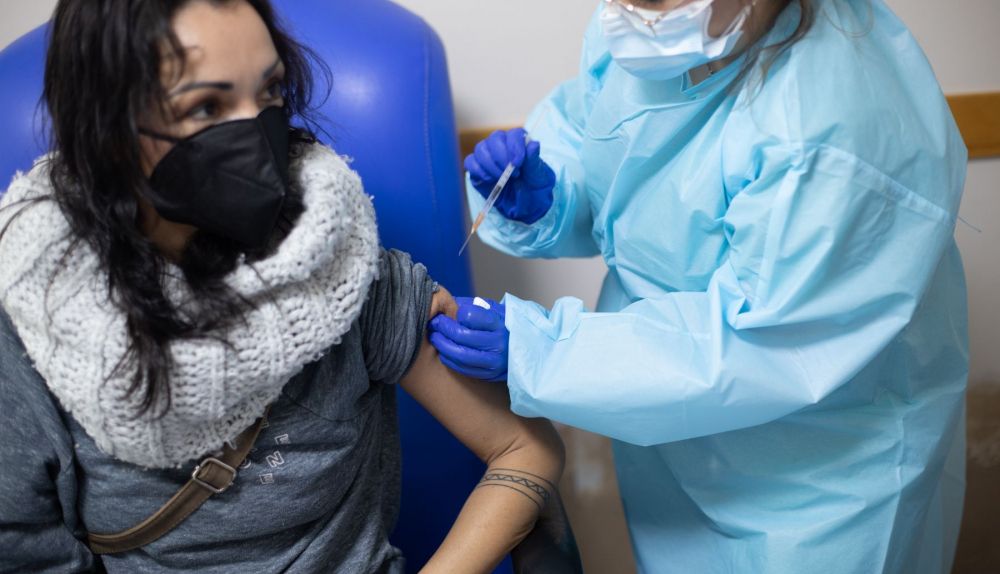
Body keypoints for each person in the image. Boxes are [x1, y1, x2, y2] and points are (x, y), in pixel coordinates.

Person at [0, 1, 581, 572]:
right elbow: (24, 549)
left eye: (270, 91)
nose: (257, 132)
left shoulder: (340, 266)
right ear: (106, 129)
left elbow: (523, 448)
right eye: (206, 106)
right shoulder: (38, 312)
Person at [429, 0, 969, 572]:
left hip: (818, 482)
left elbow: (758, 345)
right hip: (673, 440)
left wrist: (548, 351)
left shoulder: (827, 131)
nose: (638, 15)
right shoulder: (645, 33)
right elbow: (609, 148)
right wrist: (550, 198)